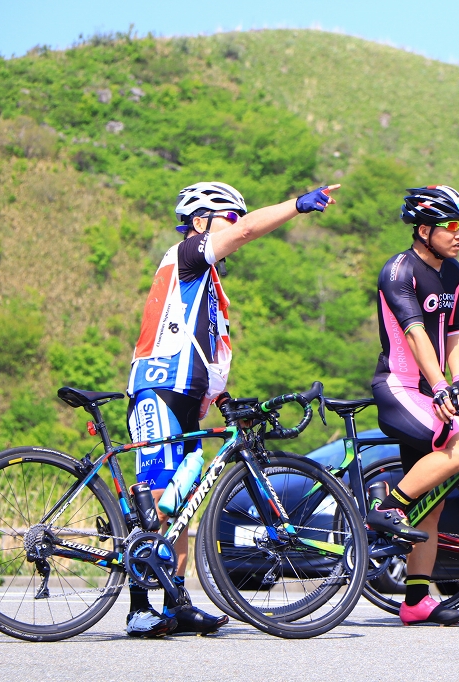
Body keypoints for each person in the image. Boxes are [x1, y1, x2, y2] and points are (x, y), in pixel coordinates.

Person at [124, 180, 339, 637]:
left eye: (237, 219)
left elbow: (204, 351)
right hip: (160, 390)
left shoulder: (209, 281)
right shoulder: (184, 256)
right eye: (230, 217)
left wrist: (223, 400)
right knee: (159, 499)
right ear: (200, 222)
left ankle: (176, 603)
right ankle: (138, 605)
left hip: (188, 398)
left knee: (181, 502)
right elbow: (244, 233)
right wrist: (297, 206)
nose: (236, 228)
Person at [366, 185, 459, 626]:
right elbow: (416, 332)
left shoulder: (451, 271)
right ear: (422, 229)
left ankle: (416, 600)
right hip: (401, 387)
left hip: (433, 390)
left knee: (431, 504)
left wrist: (458, 381)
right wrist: (439, 388)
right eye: (451, 226)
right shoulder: (398, 271)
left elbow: (456, 333)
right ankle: (388, 508)